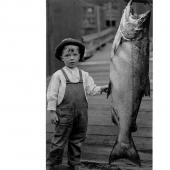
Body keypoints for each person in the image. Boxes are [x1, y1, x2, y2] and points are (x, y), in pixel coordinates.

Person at [47, 38, 108, 170]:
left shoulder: (84, 75)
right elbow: (52, 95)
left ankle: (74, 163)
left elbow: (91, 90)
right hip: (64, 114)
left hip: (81, 114)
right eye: (67, 55)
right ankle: (52, 164)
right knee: (59, 140)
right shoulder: (58, 75)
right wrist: (52, 112)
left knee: (77, 139)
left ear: (80, 56)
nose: (72, 58)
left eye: (75, 55)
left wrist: (102, 88)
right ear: (61, 57)